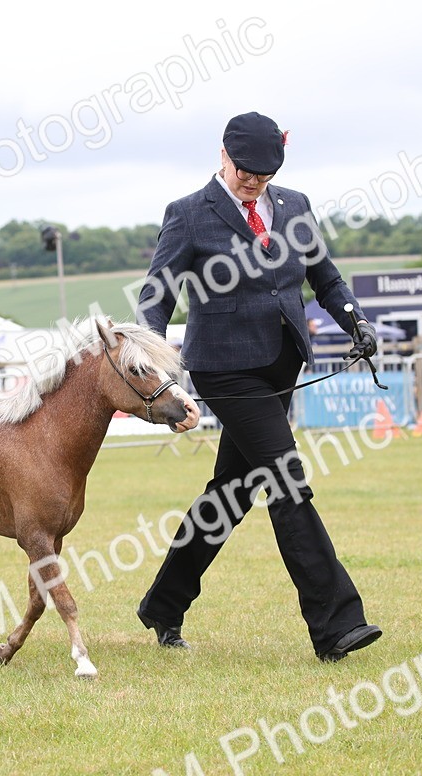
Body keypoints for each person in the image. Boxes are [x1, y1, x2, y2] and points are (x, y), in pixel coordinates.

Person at [133, 111, 381, 662]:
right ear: (224, 155)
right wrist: (151, 363)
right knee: (287, 481)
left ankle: (163, 605)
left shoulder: (294, 206)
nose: (252, 181)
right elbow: (157, 295)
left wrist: (357, 322)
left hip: (281, 364)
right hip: (224, 370)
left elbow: (325, 277)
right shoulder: (189, 214)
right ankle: (337, 624)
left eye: (264, 174)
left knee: (232, 492)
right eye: (244, 170)